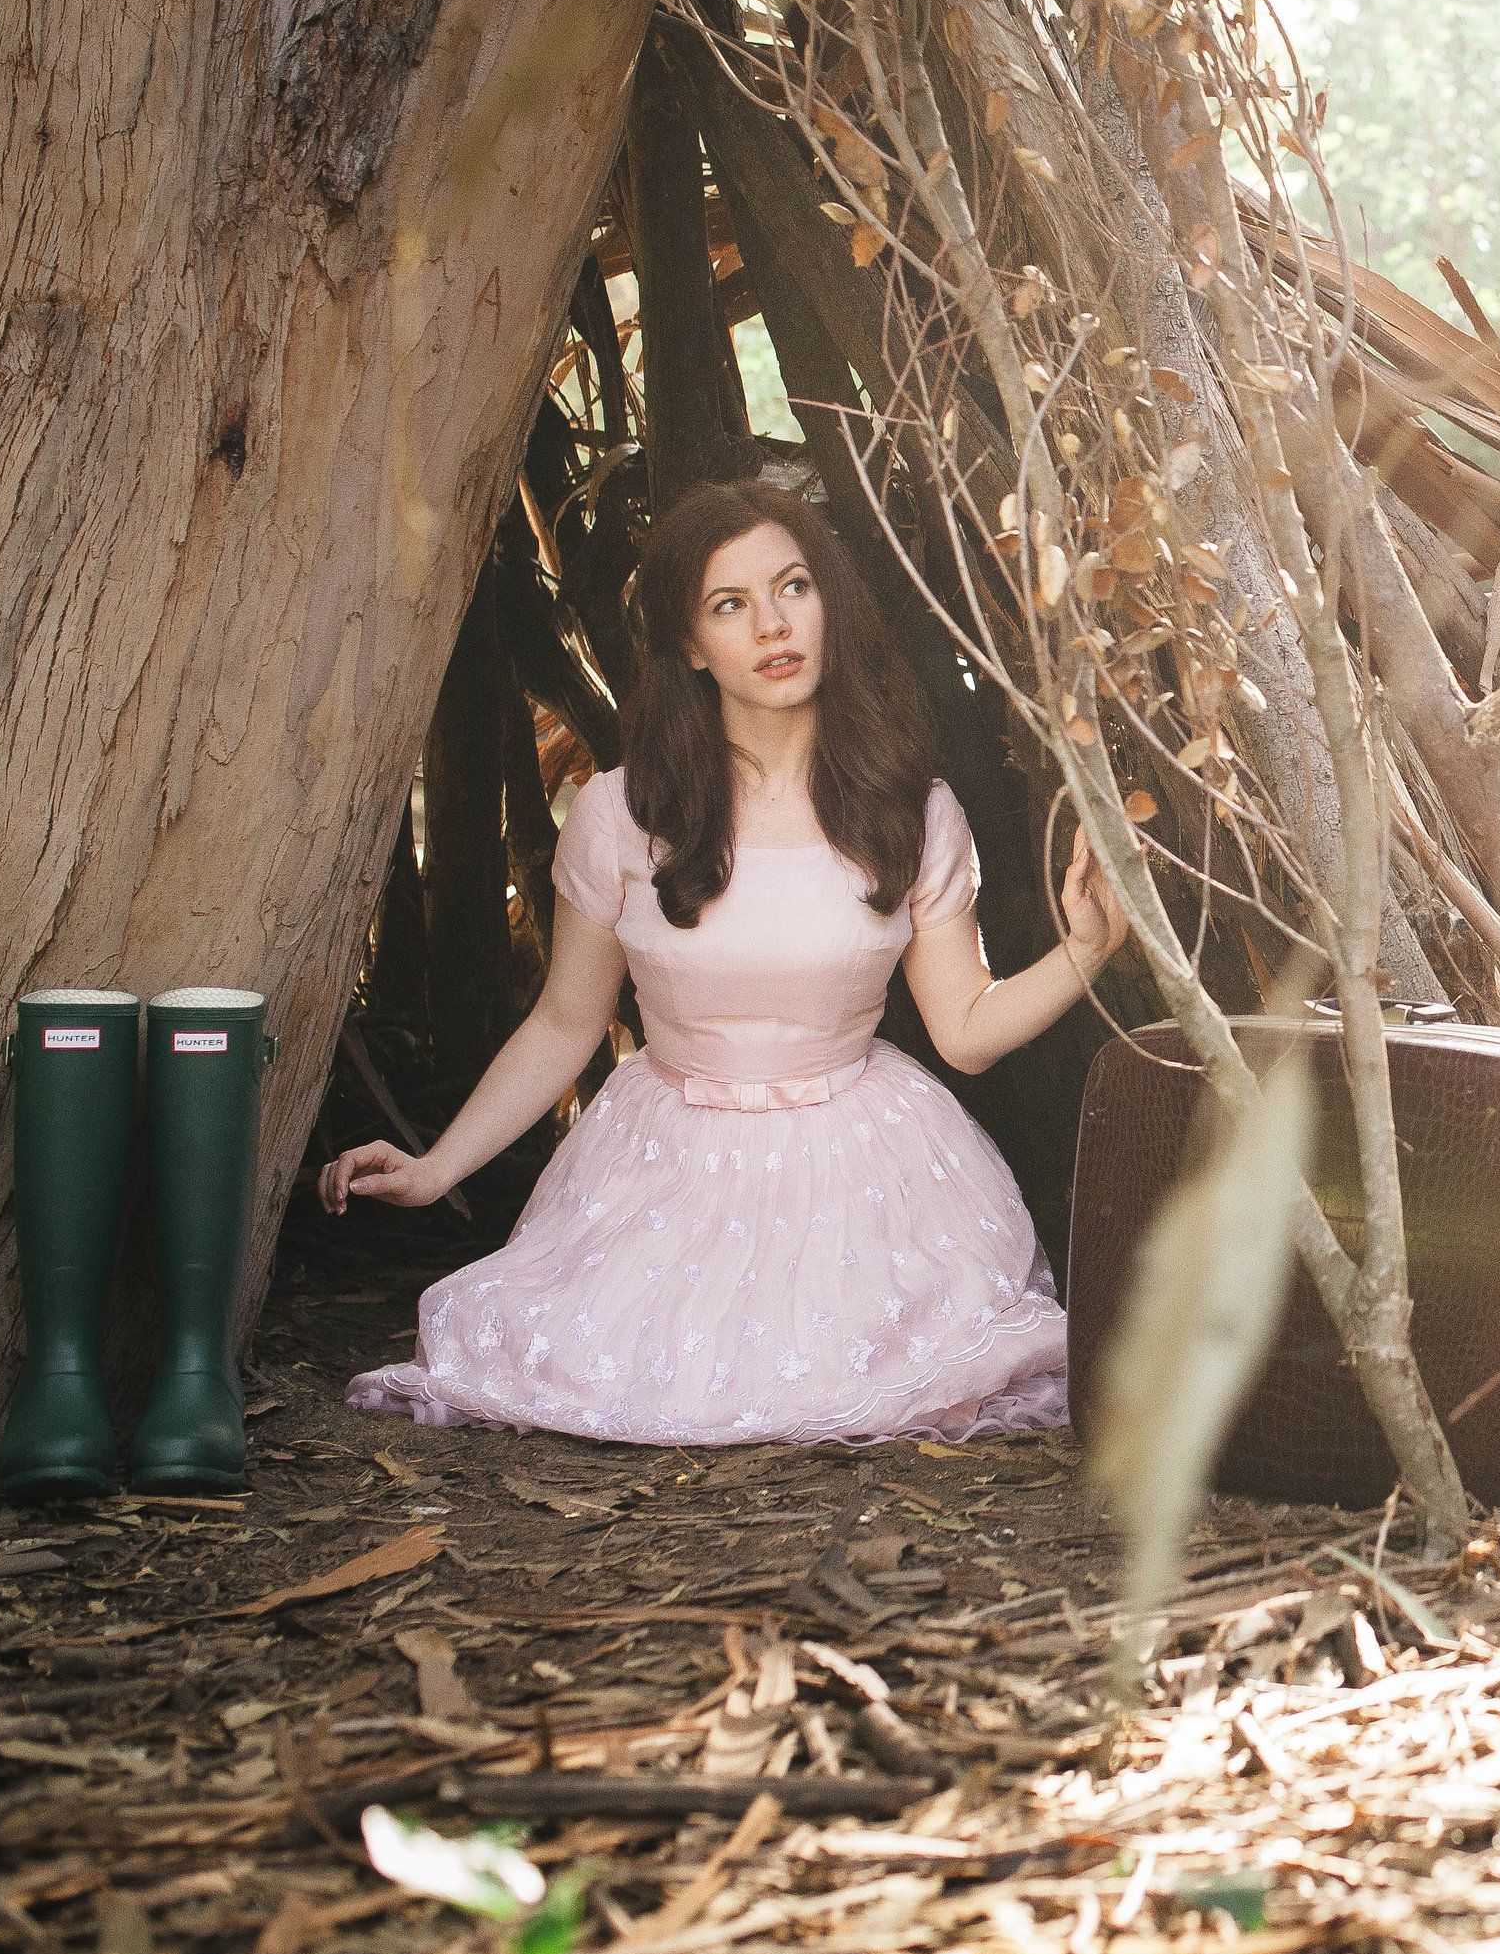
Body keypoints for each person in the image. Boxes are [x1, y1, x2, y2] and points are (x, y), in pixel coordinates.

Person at [330, 479, 1120, 1444]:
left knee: (879, 1368)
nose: (773, 625)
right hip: (663, 1168)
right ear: (692, 645)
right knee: (589, 1363)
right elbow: (564, 1025)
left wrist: (1086, 950)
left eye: (794, 588)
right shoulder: (622, 813)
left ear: (828, 603)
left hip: (861, 1177)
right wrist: (432, 1168)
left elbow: (964, 1029)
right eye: (730, 604)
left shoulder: (911, 810)